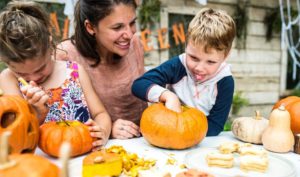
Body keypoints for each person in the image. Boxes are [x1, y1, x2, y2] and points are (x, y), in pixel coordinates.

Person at [0, 1, 111, 150]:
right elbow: (15, 134)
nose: (33, 78)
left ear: (50, 46)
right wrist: (36, 112)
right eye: (22, 73)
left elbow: (100, 113)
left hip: (84, 154)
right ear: (5, 62)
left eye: (41, 68)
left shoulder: (74, 71)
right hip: (41, 164)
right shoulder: (8, 79)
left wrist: (102, 131)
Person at [132, 8, 236, 136]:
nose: (199, 68)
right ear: (186, 45)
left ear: (225, 56)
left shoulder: (225, 81)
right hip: (167, 130)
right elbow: (139, 84)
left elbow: (216, 125)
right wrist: (168, 96)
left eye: (210, 62)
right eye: (193, 57)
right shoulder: (178, 66)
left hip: (200, 140)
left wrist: (184, 134)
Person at [56, 0, 147, 139]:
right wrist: (107, 129)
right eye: (117, 27)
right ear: (90, 27)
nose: (129, 34)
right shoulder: (66, 55)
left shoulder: (135, 43)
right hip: (97, 148)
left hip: (144, 142)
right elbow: (60, 123)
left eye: (132, 23)